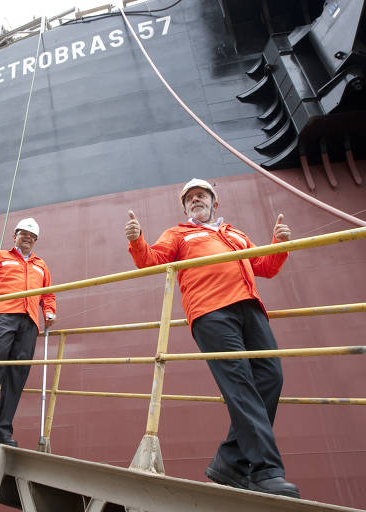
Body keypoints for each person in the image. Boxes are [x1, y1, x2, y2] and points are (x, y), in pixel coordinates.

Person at [124, 178, 299, 498]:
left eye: (201, 195)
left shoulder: (235, 233)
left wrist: (279, 244)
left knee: (271, 377)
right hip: (211, 313)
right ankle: (264, 470)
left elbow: (265, 266)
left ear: (214, 202)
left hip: (251, 309)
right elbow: (152, 259)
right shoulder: (178, 234)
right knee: (241, 384)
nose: (195, 200)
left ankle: (231, 462)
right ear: (185, 206)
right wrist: (137, 241)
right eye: (190, 198)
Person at [0, 218, 56, 446]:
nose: (28, 238)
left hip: (29, 321)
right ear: (15, 235)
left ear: (35, 241)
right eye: (24, 234)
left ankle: (1, 430)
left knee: (17, 375)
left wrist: (50, 312)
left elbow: (48, 294)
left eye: (32, 236)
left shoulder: (41, 265)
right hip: (2, 315)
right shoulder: (0, 256)